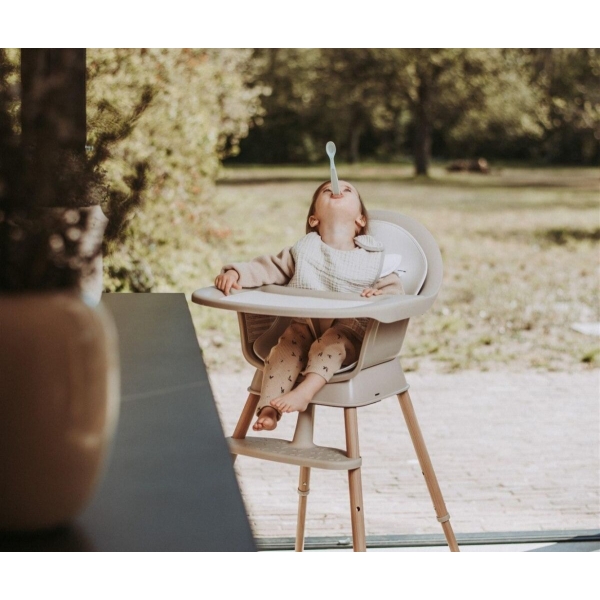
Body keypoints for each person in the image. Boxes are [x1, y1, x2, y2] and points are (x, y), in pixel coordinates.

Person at [215, 180, 404, 431]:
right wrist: (236, 273)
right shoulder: (304, 252)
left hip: (350, 335)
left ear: (360, 220)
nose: (338, 189)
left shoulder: (373, 259)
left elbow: (396, 293)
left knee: (331, 344)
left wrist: (379, 294)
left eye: (348, 190)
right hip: (305, 326)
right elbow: (268, 267)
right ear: (314, 219)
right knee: (284, 348)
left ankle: (305, 392)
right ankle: (270, 408)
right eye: (327, 190)